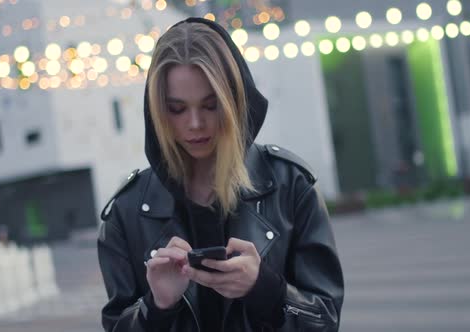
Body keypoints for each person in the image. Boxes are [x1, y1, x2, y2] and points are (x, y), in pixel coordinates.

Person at [97, 17, 344, 332]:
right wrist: (157, 307)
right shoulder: (126, 212)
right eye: (177, 109)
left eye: (211, 105)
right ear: (158, 111)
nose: (196, 123)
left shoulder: (290, 185)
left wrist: (263, 287)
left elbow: (327, 319)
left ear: (234, 101)